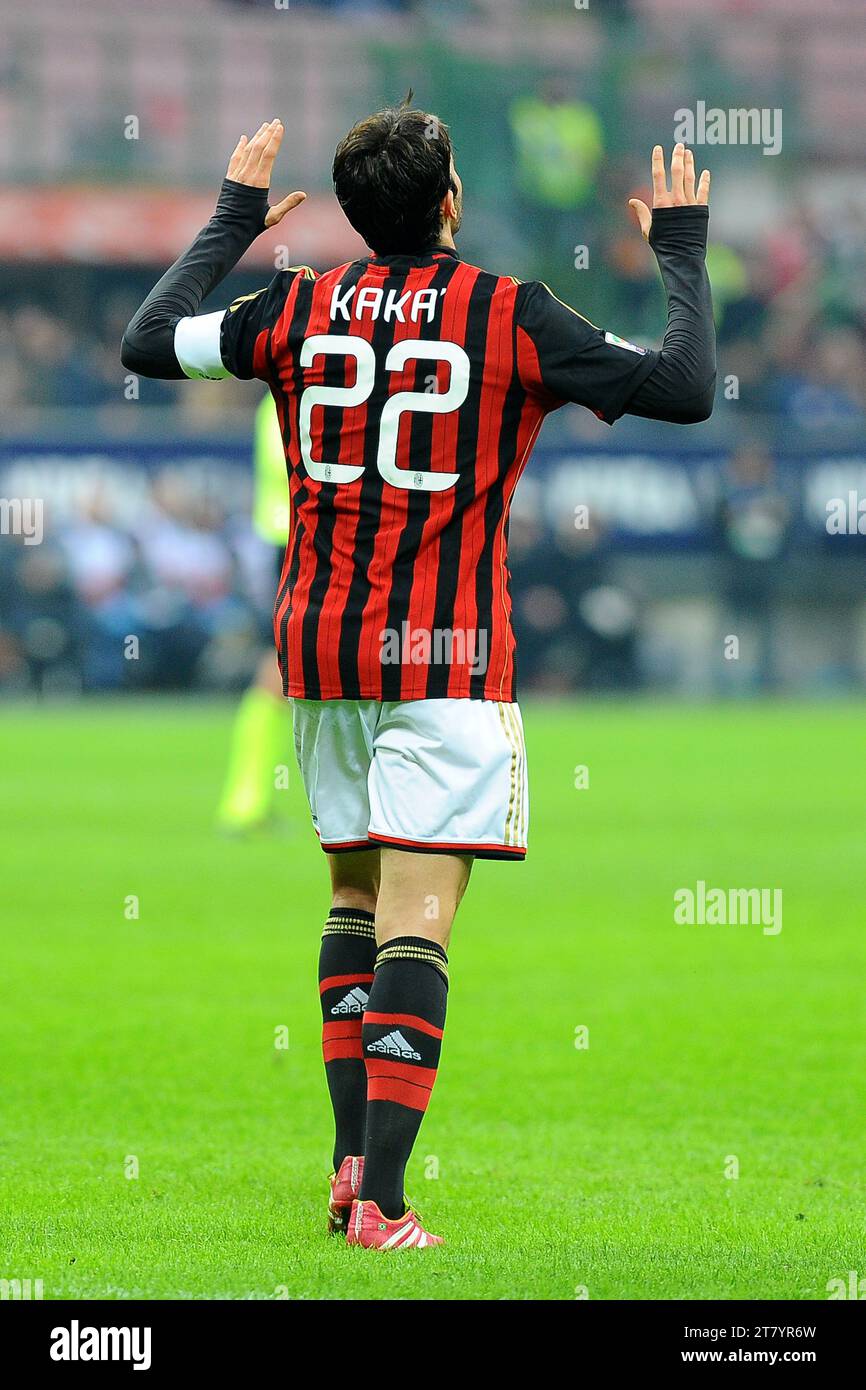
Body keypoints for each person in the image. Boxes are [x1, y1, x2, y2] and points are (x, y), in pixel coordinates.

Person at [121, 103, 715, 1250]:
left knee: (351, 900)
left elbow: (150, 341)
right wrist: (679, 252)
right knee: (417, 926)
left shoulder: (291, 304)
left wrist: (232, 220)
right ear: (449, 202)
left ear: (350, 213)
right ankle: (385, 1207)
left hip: (322, 648)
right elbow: (685, 388)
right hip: (443, 658)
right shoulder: (509, 314)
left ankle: (350, 1165)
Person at [216, 394, 292, 833]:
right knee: (280, 669)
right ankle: (245, 800)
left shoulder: (275, 397)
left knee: (280, 667)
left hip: (290, 539)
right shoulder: (292, 392)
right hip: (306, 538)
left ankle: (247, 799)